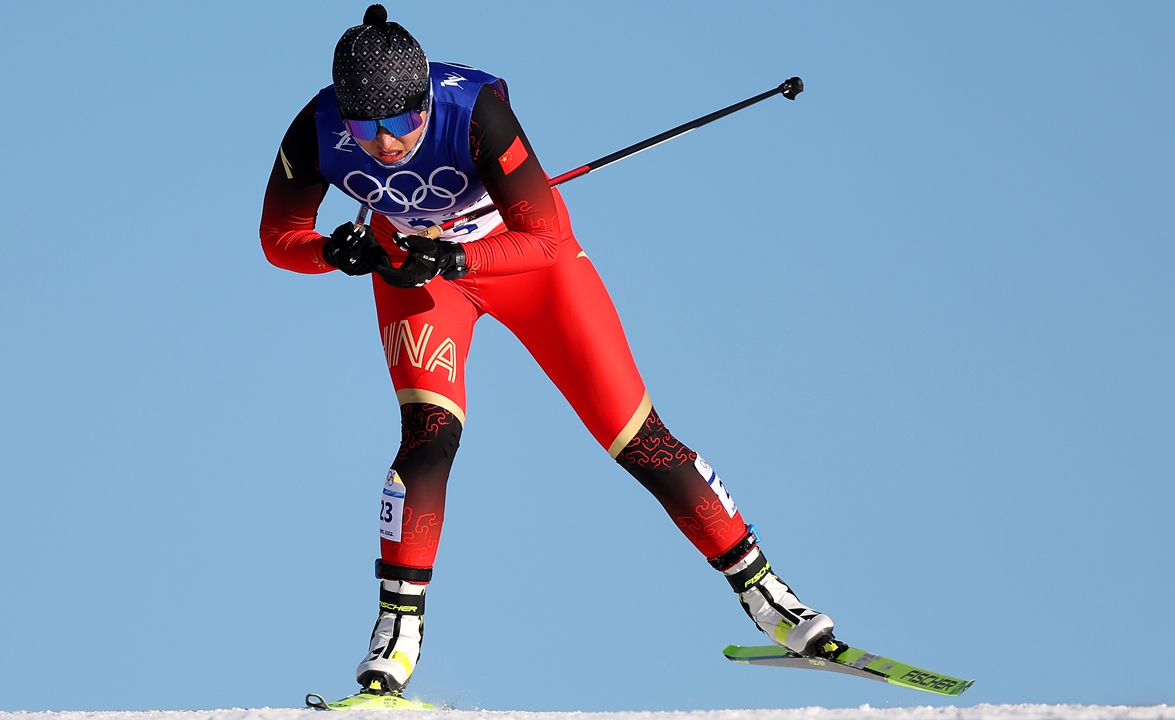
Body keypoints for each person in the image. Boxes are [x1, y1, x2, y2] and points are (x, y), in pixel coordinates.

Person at [260, 4, 841, 699]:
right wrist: (333, 251)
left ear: (424, 103)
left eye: (403, 123)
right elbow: (277, 237)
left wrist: (454, 254)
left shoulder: (475, 115)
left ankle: (766, 596)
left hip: (522, 269)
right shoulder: (316, 127)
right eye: (368, 127)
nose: (386, 143)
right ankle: (396, 635)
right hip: (417, 279)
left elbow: (548, 239)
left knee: (637, 438)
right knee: (428, 437)